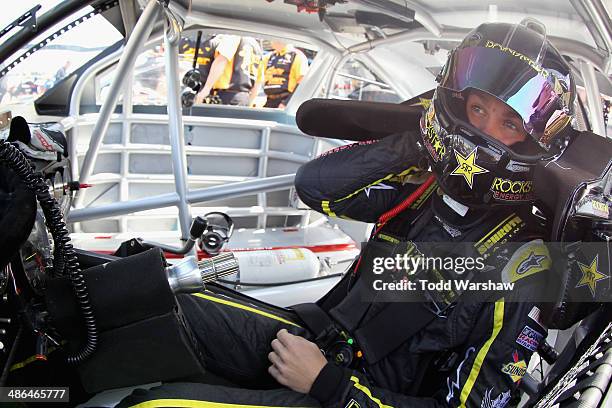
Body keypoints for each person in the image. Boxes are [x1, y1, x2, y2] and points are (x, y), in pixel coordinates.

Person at [119, 20, 575, 408]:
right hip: (314, 337)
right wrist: (421, 136)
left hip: (347, 392)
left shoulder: (526, 264)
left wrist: (331, 386)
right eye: (475, 109)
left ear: (534, 142)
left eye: (508, 123)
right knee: (140, 301)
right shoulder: (422, 192)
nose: (481, 130)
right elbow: (315, 187)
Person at [194, 34, 262, 106]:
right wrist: (249, 101)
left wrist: (206, 90)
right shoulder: (256, 46)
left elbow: (221, 60)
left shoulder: (232, 37)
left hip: (226, 96)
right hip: (244, 97)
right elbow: (259, 81)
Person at [253, 40, 309, 108]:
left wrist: (286, 103)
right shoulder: (269, 56)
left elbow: (302, 82)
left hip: (286, 101)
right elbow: (259, 80)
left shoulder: (297, 56)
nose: (271, 41)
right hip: (269, 100)